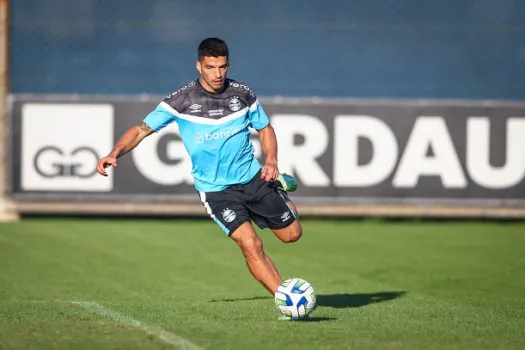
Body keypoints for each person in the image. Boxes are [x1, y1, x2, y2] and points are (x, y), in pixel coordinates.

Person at [96, 37, 302, 296]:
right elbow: (140, 130)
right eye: (210, 67)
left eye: (223, 67)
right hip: (217, 191)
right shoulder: (180, 101)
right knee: (250, 244)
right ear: (198, 66)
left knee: (292, 235)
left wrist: (271, 160)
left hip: (253, 178)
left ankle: (278, 195)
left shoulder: (243, 94)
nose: (218, 74)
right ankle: (286, 299)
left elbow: (264, 128)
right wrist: (115, 153)